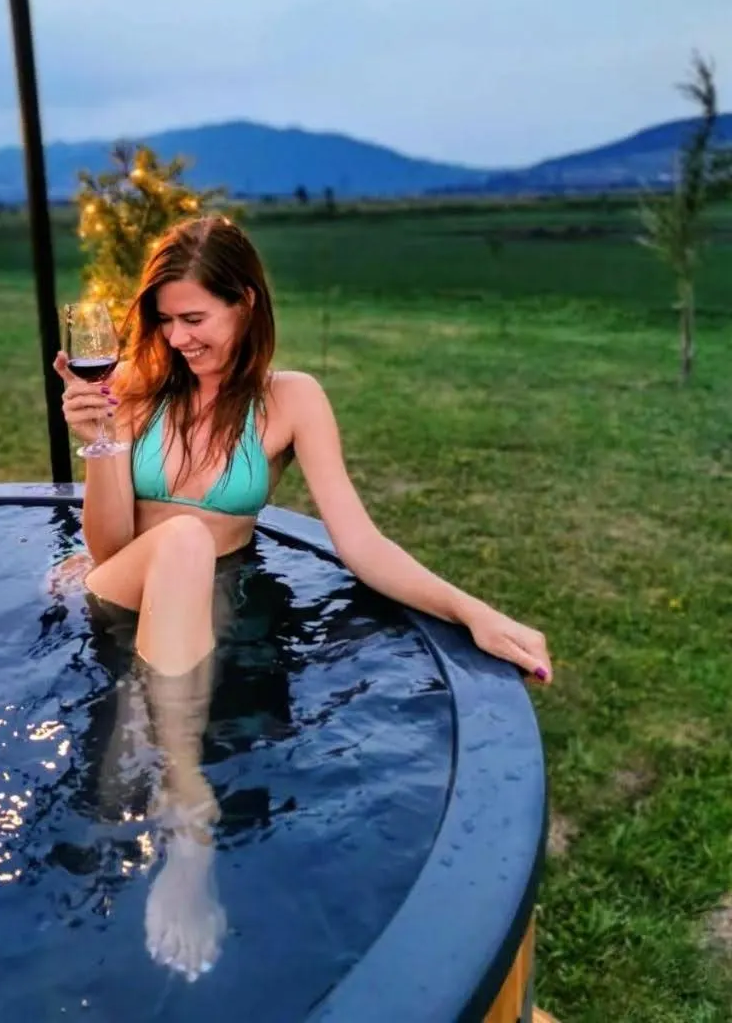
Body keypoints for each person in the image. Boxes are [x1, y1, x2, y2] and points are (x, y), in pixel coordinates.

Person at [51, 214, 552, 982]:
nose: (180, 338)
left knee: (148, 688)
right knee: (182, 542)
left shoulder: (290, 401)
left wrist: (471, 610)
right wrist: (103, 442)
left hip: (213, 597)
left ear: (245, 303)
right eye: (166, 321)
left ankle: (139, 741)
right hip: (123, 582)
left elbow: (360, 543)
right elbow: (113, 549)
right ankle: (190, 812)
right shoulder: (134, 393)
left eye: (196, 318)